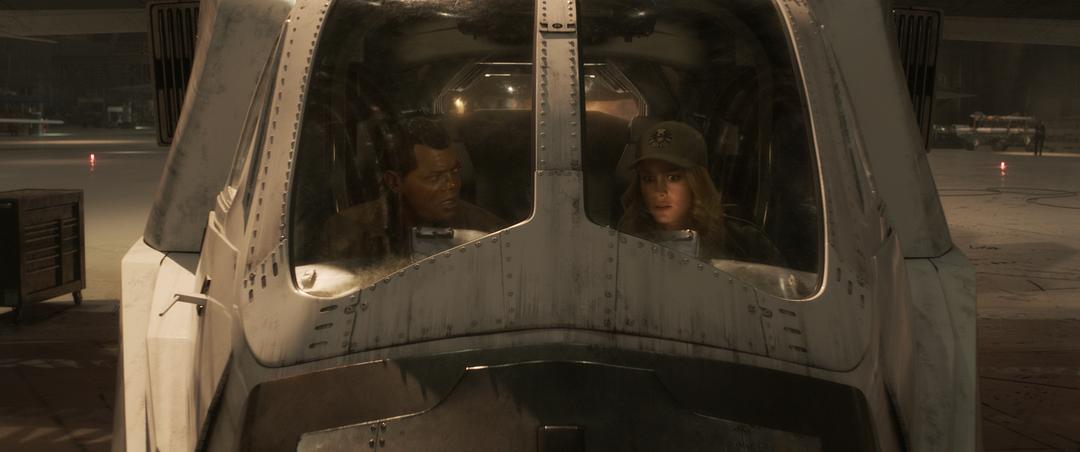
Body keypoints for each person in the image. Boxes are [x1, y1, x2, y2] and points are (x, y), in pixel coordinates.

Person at [321, 117, 503, 260]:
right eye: (434, 177)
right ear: (394, 182)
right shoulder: (347, 231)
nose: (452, 185)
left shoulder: (488, 232)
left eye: (455, 171)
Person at [617, 120, 782, 264]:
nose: (659, 191)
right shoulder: (625, 242)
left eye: (673, 178)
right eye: (648, 179)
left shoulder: (746, 244)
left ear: (696, 182)